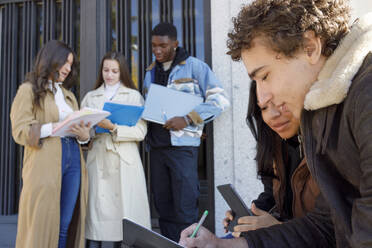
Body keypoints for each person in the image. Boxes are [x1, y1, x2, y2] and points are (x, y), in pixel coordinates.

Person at [180, 0, 372, 247]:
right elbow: (326, 225)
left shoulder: (365, 93)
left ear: (310, 47)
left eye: (265, 76)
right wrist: (222, 244)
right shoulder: (325, 105)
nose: (261, 98)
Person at [143, 22, 230, 242]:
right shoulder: (150, 72)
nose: (157, 50)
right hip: (156, 149)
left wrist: (188, 119)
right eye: (154, 46)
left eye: (162, 45)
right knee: (163, 208)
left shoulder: (195, 68)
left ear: (175, 44)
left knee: (185, 210)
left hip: (183, 150)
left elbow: (220, 101)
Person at [10, 40, 90, 248]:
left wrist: (84, 136)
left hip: (73, 157)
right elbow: (20, 131)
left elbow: (79, 132)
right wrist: (54, 127)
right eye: (65, 62)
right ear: (51, 59)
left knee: (65, 224)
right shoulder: (28, 90)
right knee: (42, 222)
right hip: (45, 160)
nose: (68, 68)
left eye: (71, 65)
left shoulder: (69, 96)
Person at [223, 81, 320, 237]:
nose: (273, 114)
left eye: (281, 103)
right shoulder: (274, 143)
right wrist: (250, 215)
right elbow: (271, 196)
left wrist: (279, 228)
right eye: (264, 107)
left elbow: (333, 228)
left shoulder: (327, 146)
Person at [81, 51, 151, 247]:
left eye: (114, 71)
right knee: (97, 222)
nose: (109, 75)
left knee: (124, 222)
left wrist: (113, 127)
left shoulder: (133, 96)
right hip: (99, 161)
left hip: (124, 163)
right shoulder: (90, 97)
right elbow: (81, 131)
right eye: (105, 70)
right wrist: (88, 131)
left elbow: (141, 131)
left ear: (122, 72)